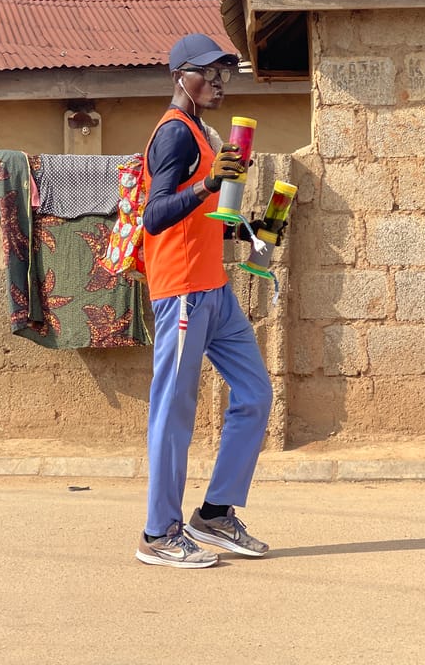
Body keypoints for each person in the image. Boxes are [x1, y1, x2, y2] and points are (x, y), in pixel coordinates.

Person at [135, 33, 275, 569]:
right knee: (174, 411)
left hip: (214, 289)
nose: (218, 81)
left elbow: (202, 221)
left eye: (224, 73)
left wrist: (250, 230)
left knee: (255, 393)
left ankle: (214, 513)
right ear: (180, 76)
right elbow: (156, 215)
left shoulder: (204, 133)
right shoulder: (174, 135)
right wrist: (205, 184)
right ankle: (158, 532)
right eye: (207, 72)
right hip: (182, 294)